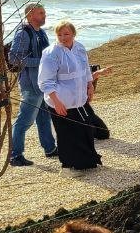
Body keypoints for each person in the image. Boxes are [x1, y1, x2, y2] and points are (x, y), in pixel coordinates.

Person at [37, 21, 100, 171]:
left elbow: (85, 69)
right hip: (60, 101)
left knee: (84, 130)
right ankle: (69, 166)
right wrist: (56, 101)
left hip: (78, 99)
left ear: (73, 34)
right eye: (59, 34)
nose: (63, 38)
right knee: (66, 134)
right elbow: (46, 80)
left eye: (66, 34)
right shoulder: (51, 53)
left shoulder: (79, 48)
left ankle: (87, 162)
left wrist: (90, 85)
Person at [7, 3, 57, 167]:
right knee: (25, 120)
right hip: (30, 85)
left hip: (42, 83)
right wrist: (42, 62)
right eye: (41, 13)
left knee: (44, 117)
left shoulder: (41, 32)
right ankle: (15, 155)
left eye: (44, 12)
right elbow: (14, 59)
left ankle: (50, 149)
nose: (44, 15)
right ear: (30, 15)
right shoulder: (23, 33)